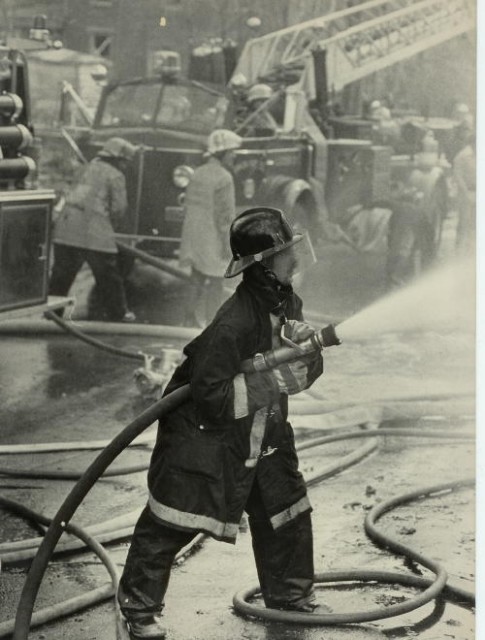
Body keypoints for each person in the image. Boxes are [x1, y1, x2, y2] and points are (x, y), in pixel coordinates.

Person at [118, 207, 325, 639]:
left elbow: (298, 369)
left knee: (285, 512)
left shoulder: (287, 300)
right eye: (286, 254)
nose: (296, 260)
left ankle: (289, 597)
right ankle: (139, 608)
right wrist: (272, 383)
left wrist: (307, 356)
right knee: (172, 519)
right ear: (263, 264)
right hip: (207, 439)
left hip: (265, 433)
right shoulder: (233, 322)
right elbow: (212, 397)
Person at [49, 136, 138, 321]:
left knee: (61, 276)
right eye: (125, 162)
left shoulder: (85, 168)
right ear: (119, 159)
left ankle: (52, 315)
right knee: (109, 277)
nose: (126, 166)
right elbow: (118, 208)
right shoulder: (116, 175)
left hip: (66, 229)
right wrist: (109, 227)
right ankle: (119, 314)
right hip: (94, 233)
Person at [179, 128, 242, 327]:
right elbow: (225, 216)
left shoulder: (197, 173)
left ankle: (188, 319)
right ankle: (211, 323)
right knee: (216, 280)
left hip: (192, 232)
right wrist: (227, 244)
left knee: (196, 275)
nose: (234, 156)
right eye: (232, 152)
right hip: (212, 234)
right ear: (223, 153)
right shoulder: (224, 177)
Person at [453, 132, 476, 253]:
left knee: (475, 223)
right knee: (464, 222)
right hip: (466, 192)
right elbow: (458, 175)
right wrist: (466, 193)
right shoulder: (462, 156)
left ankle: (471, 249)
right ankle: (459, 249)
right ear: (472, 143)